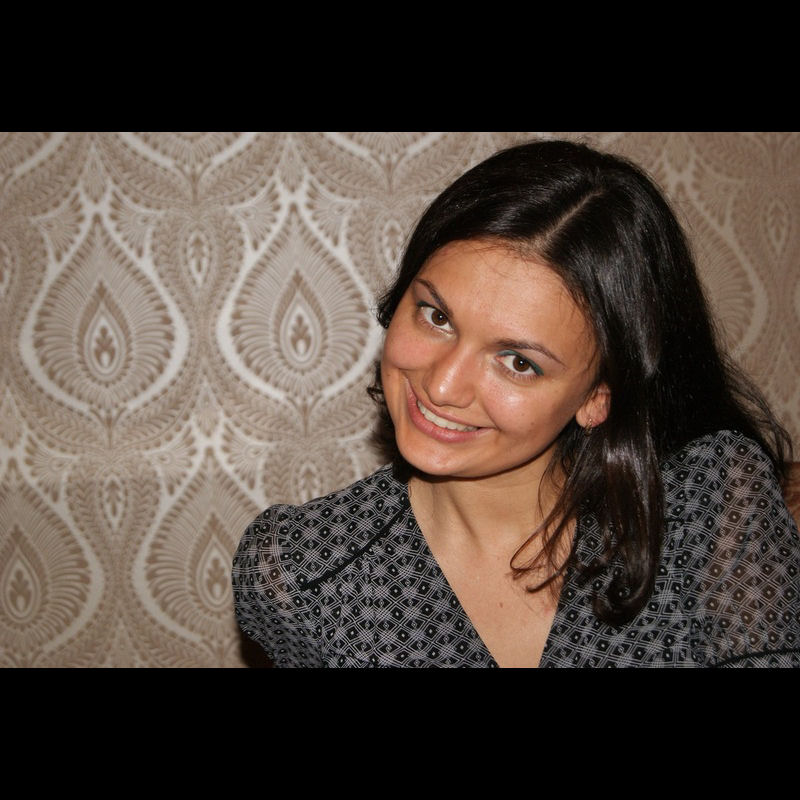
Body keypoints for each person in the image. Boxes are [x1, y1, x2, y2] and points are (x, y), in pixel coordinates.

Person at [232, 139, 800, 668]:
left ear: (597, 397)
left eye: (518, 362)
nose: (442, 386)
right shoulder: (301, 571)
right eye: (436, 316)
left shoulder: (709, 505)